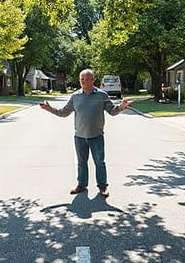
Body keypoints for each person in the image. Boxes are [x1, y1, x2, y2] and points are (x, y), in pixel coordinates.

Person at [40, 69, 132, 197]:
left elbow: (112, 111)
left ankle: (102, 187)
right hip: (80, 137)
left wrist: (122, 106)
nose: (83, 81)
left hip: (97, 136)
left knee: (99, 162)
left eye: (86, 79)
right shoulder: (75, 96)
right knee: (81, 162)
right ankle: (81, 185)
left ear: (92, 80)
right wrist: (50, 109)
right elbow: (64, 112)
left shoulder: (102, 95)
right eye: (81, 79)